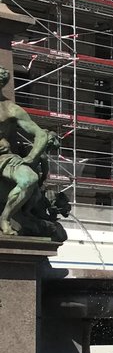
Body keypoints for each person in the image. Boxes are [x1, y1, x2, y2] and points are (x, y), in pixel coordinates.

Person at [0, 64, 62, 237]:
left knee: (29, 178)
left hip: (4, 157)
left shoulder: (10, 109)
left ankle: (5, 218)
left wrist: (31, 157)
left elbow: (41, 135)